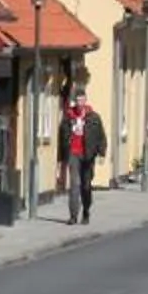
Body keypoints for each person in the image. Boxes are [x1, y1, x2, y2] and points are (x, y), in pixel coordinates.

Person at [58, 88, 107, 224]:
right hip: (73, 153)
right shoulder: (68, 117)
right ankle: (73, 216)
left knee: (86, 185)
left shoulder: (93, 117)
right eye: (77, 100)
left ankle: (86, 211)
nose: (79, 103)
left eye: (82, 100)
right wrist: (60, 158)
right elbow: (61, 137)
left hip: (88, 155)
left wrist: (101, 153)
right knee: (74, 185)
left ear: (85, 100)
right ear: (75, 101)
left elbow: (101, 136)